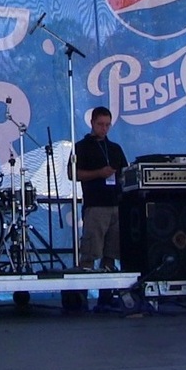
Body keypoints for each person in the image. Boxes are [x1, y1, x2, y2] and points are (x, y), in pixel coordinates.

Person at [74, 106, 129, 273]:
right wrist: (99, 173)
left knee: (111, 253)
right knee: (90, 252)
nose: (104, 128)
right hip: (95, 205)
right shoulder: (81, 147)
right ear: (92, 123)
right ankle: (82, 291)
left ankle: (108, 293)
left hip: (115, 204)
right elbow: (73, 173)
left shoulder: (115, 148)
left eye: (107, 125)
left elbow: (125, 173)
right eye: (100, 124)